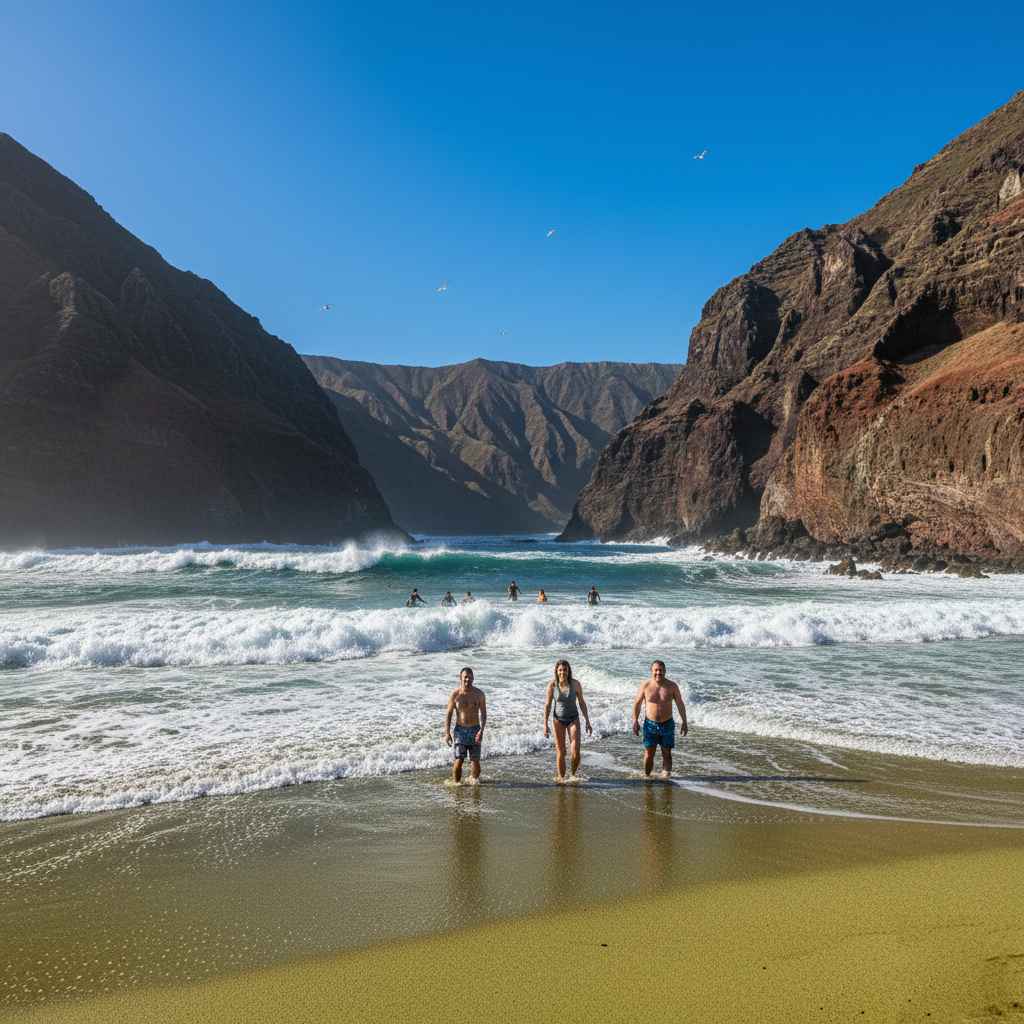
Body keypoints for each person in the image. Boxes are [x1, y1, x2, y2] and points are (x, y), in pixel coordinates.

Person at [632, 660, 688, 778]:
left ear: (665, 671)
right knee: (649, 754)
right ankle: (647, 777)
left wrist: (684, 722)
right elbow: (637, 704)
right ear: (651, 671)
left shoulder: (672, 686)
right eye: (656, 670)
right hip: (650, 725)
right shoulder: (645, 685)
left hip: (667, 724)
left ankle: (665, 779)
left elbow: (680, 704)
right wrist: (635, 721)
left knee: (667, 753)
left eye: (661, 670)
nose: (658, 672)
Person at [543, 659, 593, 782]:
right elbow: (547, 705)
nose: (562, 672)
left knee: (575, 751)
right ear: (556, 671)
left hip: (573, 719)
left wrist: (587, 721)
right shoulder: (552, 685)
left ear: (568, 671)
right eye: (560, 670)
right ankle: (561, 779)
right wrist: (545, 724)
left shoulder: (575, 684)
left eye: (565, 670)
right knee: (561, 751)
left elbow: (581, 702)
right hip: (558, 720)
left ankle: (573, 775)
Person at [444, 667, 486, 784]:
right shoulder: (455, 695)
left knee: (475, 760)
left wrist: (481, 731)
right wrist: (447, 733)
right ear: (460, 678)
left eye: (470, 677)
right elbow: (448, 714)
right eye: (465, 677)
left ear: (473, 678)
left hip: (475, 730)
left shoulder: (479, 694)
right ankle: (456, 784)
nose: (468, 679)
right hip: (460, 731)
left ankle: (474, 783)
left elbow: (483, 714)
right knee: (459, 759)